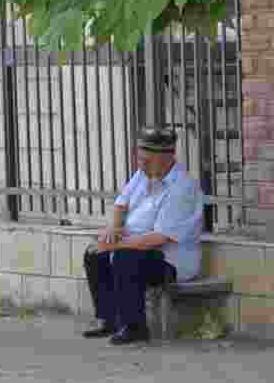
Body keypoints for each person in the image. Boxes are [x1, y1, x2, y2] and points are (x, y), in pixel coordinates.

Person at [82, 126, 204, 345]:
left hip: (169, 261)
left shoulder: (181, 188)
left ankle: (135, 327)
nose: (141, 165)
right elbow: (122, 203)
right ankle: (109, 320)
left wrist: (116, 247)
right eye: (140, 159)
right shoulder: (144, 173)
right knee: (94, 253)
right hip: (137, 247)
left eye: (146, 160)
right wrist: (114, 229)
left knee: (125, 258)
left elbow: (157, 239)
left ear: (167, 158)